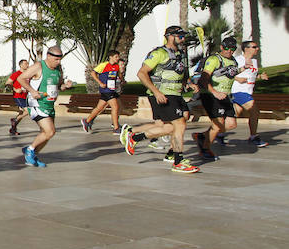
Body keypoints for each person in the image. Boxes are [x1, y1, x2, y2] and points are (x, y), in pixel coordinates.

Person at [120, 26, 199, 173]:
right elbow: (142, 73)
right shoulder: (159, 53)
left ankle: (135, 137)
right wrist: (156, 92)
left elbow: (181, 74)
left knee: (170, 127)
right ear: (169, 36)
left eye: (183, 36)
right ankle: (178, 161)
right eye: (179, 36)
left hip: (177, 95)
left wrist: (189, 84)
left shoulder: (181, 54)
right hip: (163, 95)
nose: (182, 39)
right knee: (180, 124)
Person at [20, 46, 74, 167]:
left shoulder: (58, 69)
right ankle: (30, 150)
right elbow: (21, 78)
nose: (58, 62)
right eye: (56, 59)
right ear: (48, 56)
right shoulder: (39, 66)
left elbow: (58, 86)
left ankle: (32, 155)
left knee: (45, 135)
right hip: (36, 104)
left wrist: (65, 86)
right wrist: (32, 91)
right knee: (50, 132)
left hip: (49, 105)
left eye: (60, 59)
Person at [193, 36, 241, 160]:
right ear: (221, 47)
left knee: (231, 124)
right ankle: (205, 148)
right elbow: (204, 78)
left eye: (232, 49)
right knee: (218, 124)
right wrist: (214, 92)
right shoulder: (215, 59)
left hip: (225, 96)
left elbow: (229, 74)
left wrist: (243, 70)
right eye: (226, 48)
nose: (229, 51)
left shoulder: (233, 60)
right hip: (211, 95)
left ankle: (202, 136)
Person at [231, 40, 270, 148]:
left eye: (257, 47)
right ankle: (253, 137)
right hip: (238, 91)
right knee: (255, 111)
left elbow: (250, 75)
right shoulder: (238, 60)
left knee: (233, 117)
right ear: (246, 48)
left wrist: (260, 77)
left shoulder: (254, 61)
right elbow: (227, 73)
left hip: (247, 91)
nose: (257, 48)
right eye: (254, 47)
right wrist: (237, 78)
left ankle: (214, 134)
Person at [81, 50, 125, 133]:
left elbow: (119, 74)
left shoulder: (116, 66)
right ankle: (116, 128)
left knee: (100, 108)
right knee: (115, 107)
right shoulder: (103, 65)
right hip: (106, 90)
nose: (117, 58)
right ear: (110, 57)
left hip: (112, 90)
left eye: (118, 57)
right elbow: (93, 73)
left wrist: (122, 80)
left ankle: (87, 121)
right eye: (116, 57)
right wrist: (100, 83)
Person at [6, 60, 30, 135]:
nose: (27, 65)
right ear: (20, 65)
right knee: (28, 111)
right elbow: (7, 83)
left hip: (25, 96)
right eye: (25, 64)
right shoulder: (16, 74)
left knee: (21, 113)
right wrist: (15, 89)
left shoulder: (28, 74)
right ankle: (14, 120)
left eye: (27, 63)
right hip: (18, 96)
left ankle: (13, 129)